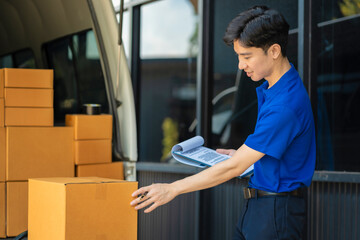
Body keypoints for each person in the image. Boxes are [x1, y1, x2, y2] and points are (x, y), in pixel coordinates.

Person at [130, 5, 316, 240]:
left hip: (275, 214)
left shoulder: (285, 104)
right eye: (239, 56)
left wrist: (171, 189)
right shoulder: (277, 89)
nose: (240, 65)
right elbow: (275, 155)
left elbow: (234, 168)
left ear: (274, 51)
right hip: (262, 208)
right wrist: (243, 156)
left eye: (246, 56)